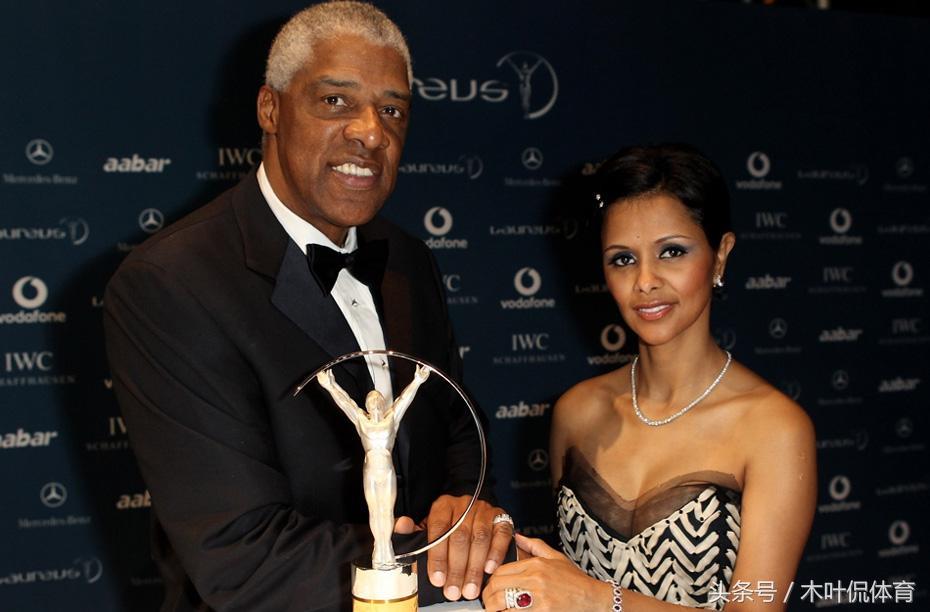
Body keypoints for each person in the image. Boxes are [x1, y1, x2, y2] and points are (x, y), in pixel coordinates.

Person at [103, 3, 512, 610]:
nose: (371, 132)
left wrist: (472, 516)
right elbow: (241, 556)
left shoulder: (408, 258)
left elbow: (457, 430)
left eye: (392, 110)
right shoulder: (171, 283)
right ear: (270, 109)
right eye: (336, 101)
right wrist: (446, 563)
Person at [483, 144, 816, 611]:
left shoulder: (773, 428)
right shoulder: (577, 411)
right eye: (622, 259)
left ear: (720, 255)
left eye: (672, 252)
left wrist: (601, 600)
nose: (645, 281)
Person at [316, 365, 430, 569]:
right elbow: (346, 403)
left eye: (378, 399)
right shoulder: (362, 421)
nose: (375, 402)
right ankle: (379, 549)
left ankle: (387, 549)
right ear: (367, 404)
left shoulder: (390, 419)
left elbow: (404, 400)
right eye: (371, 399)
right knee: (375, 511)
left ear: (383, 402)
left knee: (386, 510)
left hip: (386, 470)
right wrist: (330, 385)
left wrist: (417, 381)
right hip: (370, 470)